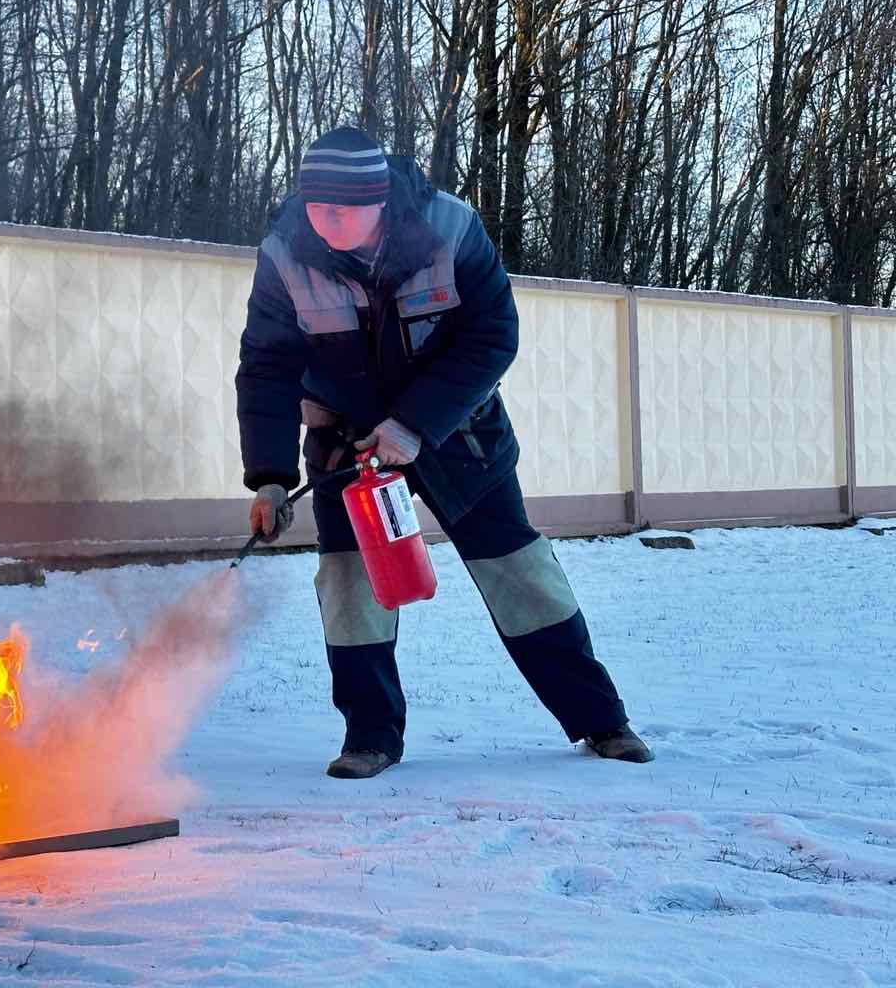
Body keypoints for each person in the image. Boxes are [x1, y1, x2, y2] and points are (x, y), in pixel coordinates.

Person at [235, 125, 653, 778]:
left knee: (519, 572)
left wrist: (414, 423)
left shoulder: (450, 228)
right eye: (316, 206)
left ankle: (603, 722)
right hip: (347, 447)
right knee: (350, 585)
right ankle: (370, 738)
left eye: (341, 209)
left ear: (378, 201)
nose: (325, 221)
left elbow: (493, 335)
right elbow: (266, 367)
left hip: (460, 437)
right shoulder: (284, 253)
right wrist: (268, 476)